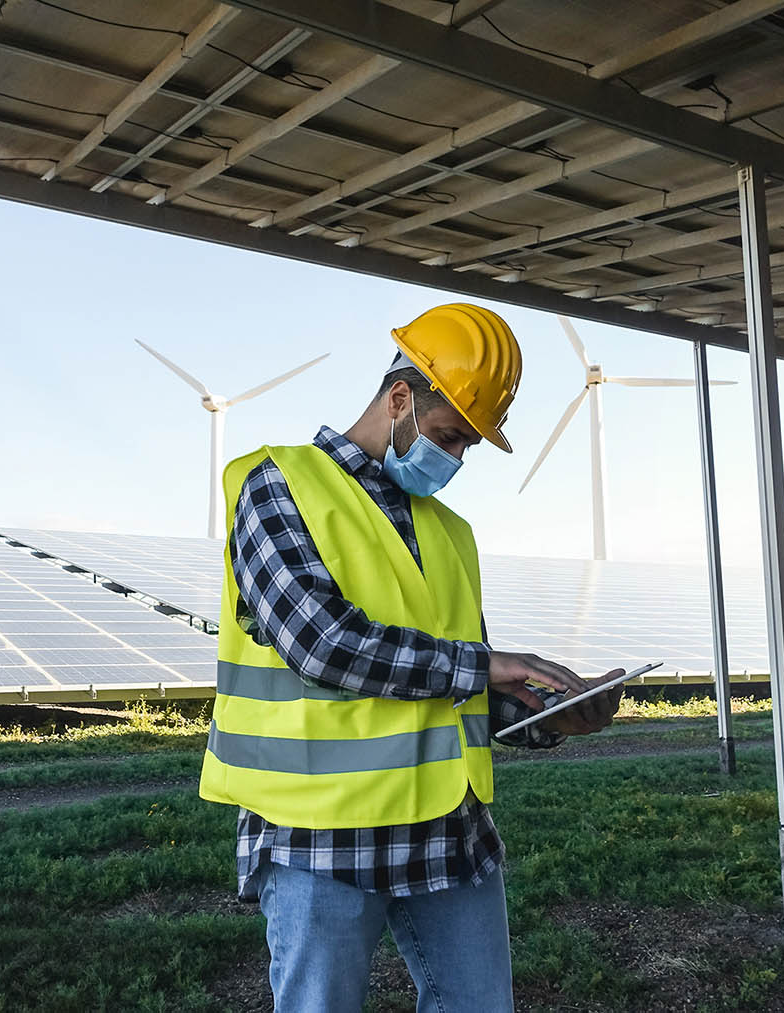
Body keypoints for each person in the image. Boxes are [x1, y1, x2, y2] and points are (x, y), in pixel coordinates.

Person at [199, 303, 626, 1012]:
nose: (455, 459)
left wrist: (549, 716)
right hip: (319, 842)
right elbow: (321, 642)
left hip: (449, 834)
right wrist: (484, 666)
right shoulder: (278, 486)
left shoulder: (450, 533)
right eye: (450, 435)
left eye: (468, 447)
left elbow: (457, 688)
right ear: (400, 397)